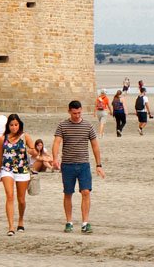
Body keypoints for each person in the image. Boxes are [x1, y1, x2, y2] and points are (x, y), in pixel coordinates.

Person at [52, 100, 105, 234]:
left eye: (79, 113)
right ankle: (69, 222)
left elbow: (95, 146)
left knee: (86, 192)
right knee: (68, 193)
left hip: (83, 165)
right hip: (67, 165)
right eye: (74, 113)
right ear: (69, 111)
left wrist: (98, 165)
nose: (77, 115)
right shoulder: (62, 125)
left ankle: (85, 222)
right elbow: (57, 143)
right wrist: (55, 158)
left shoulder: (88, 125)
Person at [0, 113, 37, 236]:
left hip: (22, 169)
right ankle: (11, 226)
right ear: (8, 126)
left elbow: (34, 152)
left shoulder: (25, 137)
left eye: (16, 125)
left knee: (21, 199)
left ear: (19, 125)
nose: (14, 127)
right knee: (9, 196)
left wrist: (31, 150)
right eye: (11, 125)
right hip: (7, 169)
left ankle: (21, 220)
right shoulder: (3, 138)